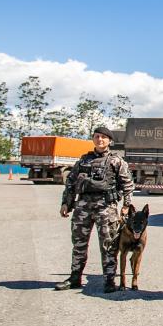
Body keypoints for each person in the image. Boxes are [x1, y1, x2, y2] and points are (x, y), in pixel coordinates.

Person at [55, 126, 134, 293]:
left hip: (106, 208)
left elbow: (127, 185)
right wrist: (66, 203)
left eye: (104, 137)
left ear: (109, 141)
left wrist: (126, 205)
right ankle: (75, 277)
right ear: (93, 139)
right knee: (79, 244)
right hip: (83, 207)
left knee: (108, 245)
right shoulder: (84, 161)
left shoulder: (116, 161)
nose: (100, 140)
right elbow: (70, 183)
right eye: (97, 137)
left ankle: (109, 280)